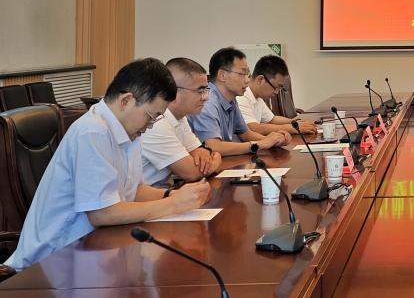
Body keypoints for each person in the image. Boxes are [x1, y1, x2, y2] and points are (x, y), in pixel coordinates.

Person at [4, 59, 210, 271]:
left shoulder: (130, 131)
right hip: (54, 261)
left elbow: (134, 190)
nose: (150, 126)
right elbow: (102, 213)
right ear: (126, 100)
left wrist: (173, 195)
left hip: (96, 248)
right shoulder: (93, 131)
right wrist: (173, 204)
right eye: (151, 116)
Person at [187, 47, 285, 156]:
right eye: (242, 74)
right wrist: (260, 144)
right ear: (222, 75)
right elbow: (214, 147)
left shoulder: (231, 99)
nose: (247, 80)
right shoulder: (207, 102)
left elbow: (245, 134)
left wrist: (273, 140)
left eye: (247, 74)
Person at [141, 58, 223, 185]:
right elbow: (192, 173)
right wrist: (217, 160)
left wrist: (205, 153)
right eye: (200, 91)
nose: (206, 97)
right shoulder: (157, 123)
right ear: (174, 90)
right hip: (146, 195)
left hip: (165, 190)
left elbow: (198, 151)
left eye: (206, 90)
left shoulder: (180, 117)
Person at [237, 55, 316, 137]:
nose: (277, 92)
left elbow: (272, 119)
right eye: (276, 87)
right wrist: (293, 128)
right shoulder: (241, 96)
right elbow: (253, 128)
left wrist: (296, 122)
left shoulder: (257, 97)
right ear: (260, 80)